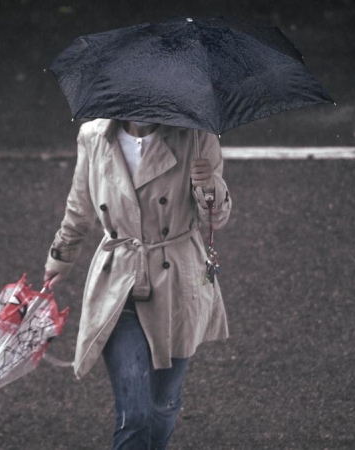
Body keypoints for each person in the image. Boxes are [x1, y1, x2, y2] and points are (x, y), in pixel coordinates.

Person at [43, 118, 232, 450]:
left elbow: (215, 220)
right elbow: (79, 208)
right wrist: (61, 256)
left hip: (176, 284)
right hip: (119, 282)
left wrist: (210, 187)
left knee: (163, 403)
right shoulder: (93, 136)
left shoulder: (198, 138)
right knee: (134, 413)